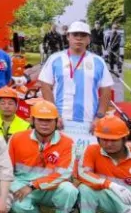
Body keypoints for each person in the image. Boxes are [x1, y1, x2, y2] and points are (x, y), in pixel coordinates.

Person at [7, 100, 79, 213]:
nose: (44, 124)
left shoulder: (67, 142)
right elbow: (7, 168)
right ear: (32, 120)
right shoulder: (17, 138)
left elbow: (64, 174)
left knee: (69, 190)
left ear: (57, 122)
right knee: (16, 205)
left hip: (50, 187)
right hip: (22, 183)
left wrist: (33, 185)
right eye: (40, 120)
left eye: (49, 120)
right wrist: (12, 186)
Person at [38, 20, 114, 155]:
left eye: (83, 35)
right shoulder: (55, 59)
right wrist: (54, 115)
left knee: (86, 159)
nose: (79, 38)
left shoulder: (98, 61)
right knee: (59, 158)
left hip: (89, 121)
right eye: (75, 35)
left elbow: (106, 89)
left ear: (89, 39)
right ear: (68, 36)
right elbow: (45, 86)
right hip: (61, 120)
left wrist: (100, 117)